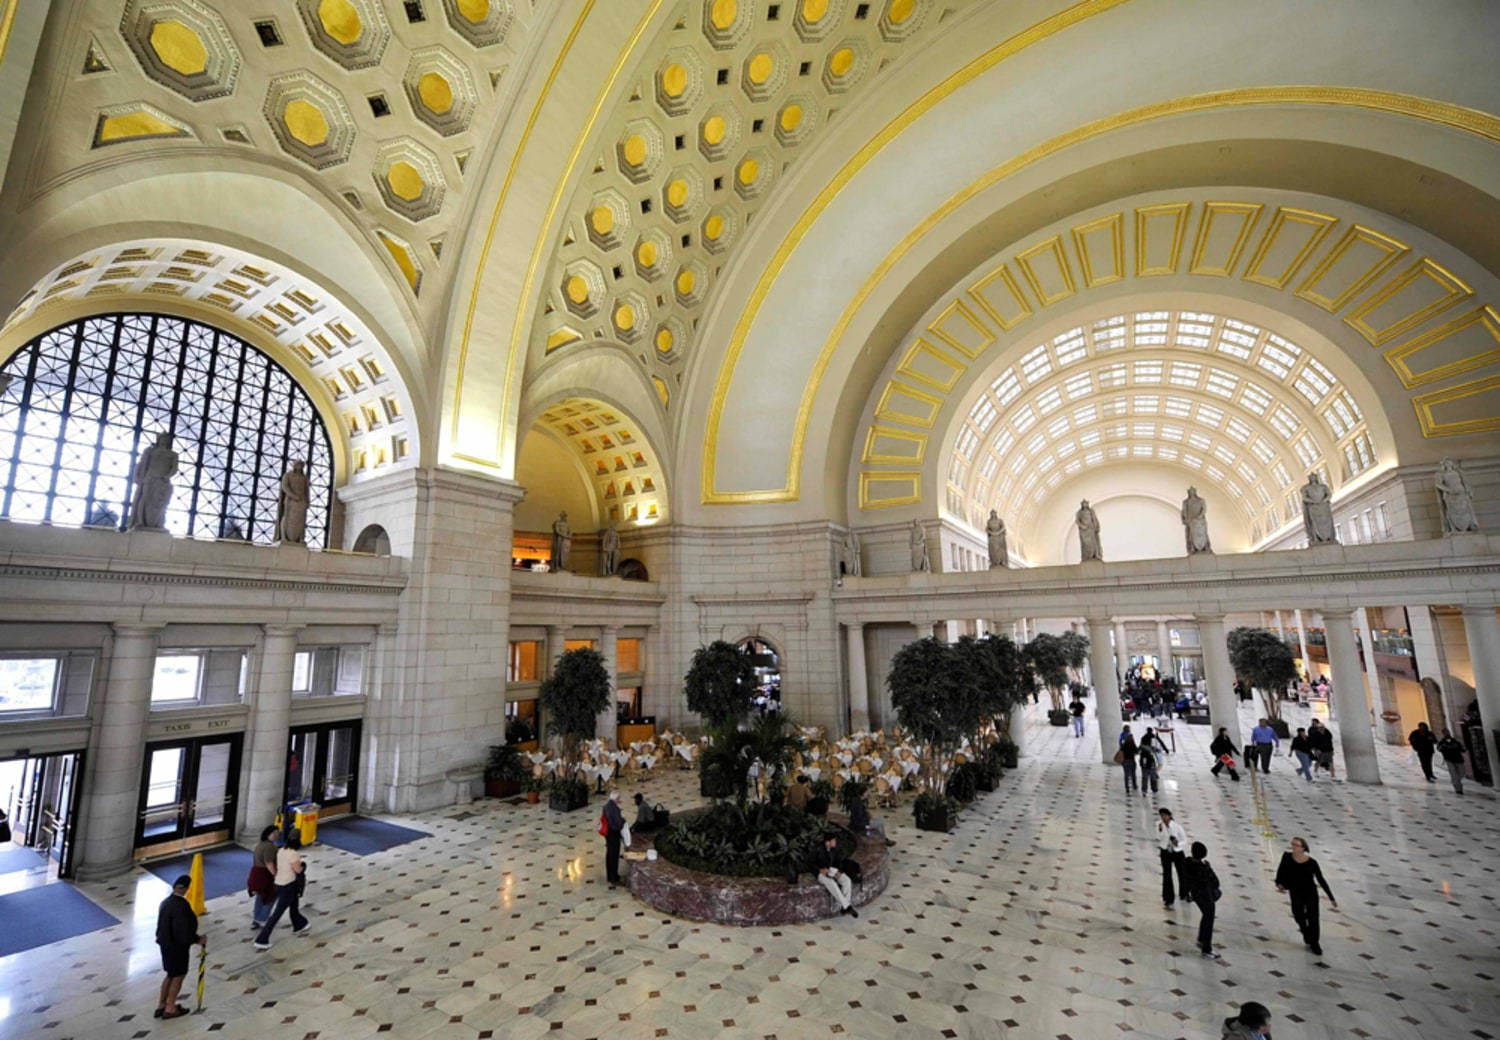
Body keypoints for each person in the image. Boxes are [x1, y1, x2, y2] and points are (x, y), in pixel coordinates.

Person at [1274, 836, 1337, 956]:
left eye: (1296, 845)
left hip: (1310, 892)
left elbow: (1321, 880)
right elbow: (1280, 871)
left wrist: (1331, 897)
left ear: (1303, 848)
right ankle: (1305, 932)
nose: (1293, 847)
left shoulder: (1312, 863)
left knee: (1313, 918)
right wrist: (1279, 883)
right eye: (1292, 844)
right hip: (1295, 891)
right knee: (1298, 914)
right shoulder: (1287, 857)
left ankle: (1315, 943)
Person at [155, 875, 206, 1019]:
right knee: (179, 976)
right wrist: (197, 939)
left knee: (170, 974)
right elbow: (182, 931)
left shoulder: (165, 902)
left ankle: (162, 1004)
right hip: (177, 946)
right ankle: (171, 1008)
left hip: (165, 943)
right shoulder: (181, 906)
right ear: (186, 889)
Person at [254, 832, 310, 950]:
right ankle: (262, 939)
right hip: (287, 886)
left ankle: (300, 924)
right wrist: (304, 866)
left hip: (280, 883)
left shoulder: (281, 850)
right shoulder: (293, 854)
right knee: (277, 914)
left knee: (294, 905)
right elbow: (298, 870)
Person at [1183, 841, 1221, 960]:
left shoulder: (1186, 862)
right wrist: (1209, 868)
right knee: (1209, 920)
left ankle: (1201, 939)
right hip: (1206, 896)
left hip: (1196, 894)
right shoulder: (1202, 868)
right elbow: (1215, 882)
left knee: (1205, 916)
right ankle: (1207, 949)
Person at [1156, 808, 1191, 908]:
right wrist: (1160, 830)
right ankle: (1168, 897)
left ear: (1169, 815)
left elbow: (1184, 839)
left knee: (1182, 873)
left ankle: (1185, 893)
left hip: (1177, 852)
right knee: (1167, 874)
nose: (1163, 817)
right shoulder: (1159, 825)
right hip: (1165, 851)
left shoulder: (1177, 827)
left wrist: (1177, 843)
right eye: (1161, 815)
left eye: (1165, 815)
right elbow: (1158, 838)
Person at [816, 833, 857, 917]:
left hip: (832, 871)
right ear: (827, 842)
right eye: (833, 840)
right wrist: (819, 870)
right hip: (821, 873)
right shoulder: (818, 850)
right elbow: (809, 863)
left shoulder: (836, 849)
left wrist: (838, 871)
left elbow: (839, 862)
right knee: (832, 883)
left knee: (847, 880)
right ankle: (847, 907)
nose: (835, 842)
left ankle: (844, 908)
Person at [249, 824, 280, 927]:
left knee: (260, 897)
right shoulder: (269, 847)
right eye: (274, 833)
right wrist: (275, 875)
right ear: (268, 834)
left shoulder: (261, 844)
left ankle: (256, 919)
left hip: (256, 874)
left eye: (277, 833)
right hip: (265, 876)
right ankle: (262, 919)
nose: (276, 835)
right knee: (270, 897)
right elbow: (269, 863)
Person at [601, 790, 625, 887]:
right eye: (619, 799)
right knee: (614, 856)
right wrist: (623, 821)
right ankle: (614, 877)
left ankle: (609, 875)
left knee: (609, 854)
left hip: (607, 834)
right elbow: (618, 824)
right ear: (616, 799)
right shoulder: (615, 809)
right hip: (613, 834)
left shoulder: (606, 806)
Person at [1437, 728, 1467, 794]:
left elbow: (1462, 748)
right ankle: (1458, 789)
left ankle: (1456, 781)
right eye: (1445, 732)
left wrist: (1463, 748)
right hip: (1449, 759)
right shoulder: (1442, 742)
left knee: (1462, 773)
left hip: (1458, 759)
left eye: (1447, 732)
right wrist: (1443, 747)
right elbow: (1439, 749)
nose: (1447, 733)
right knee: (1453, 774)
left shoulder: (1455, 741)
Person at [1117, 726, 1138, 795]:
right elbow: (1136, 752)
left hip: (1125, 761)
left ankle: (1127, 788)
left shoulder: (1123, 745)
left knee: (1126, 775)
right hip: (1132, 761)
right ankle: (1134, 785)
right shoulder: (1133, 745)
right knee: (1133, 774)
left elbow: (1120, 746)